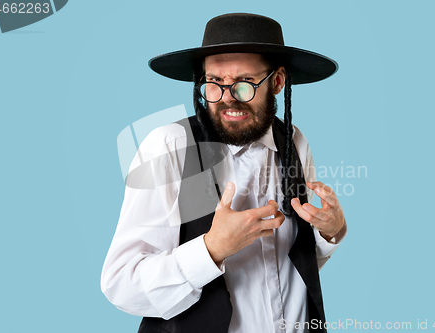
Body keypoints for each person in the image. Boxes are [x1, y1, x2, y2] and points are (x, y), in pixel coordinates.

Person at [101, 13, 347, 333]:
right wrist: (211, 249)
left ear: (277, 81)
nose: (228, 98)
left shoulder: (294, 143)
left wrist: (330, 232)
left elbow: (292, 264)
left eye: (243, 84)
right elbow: (122, 285)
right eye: (214, 83)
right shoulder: (170, 148)